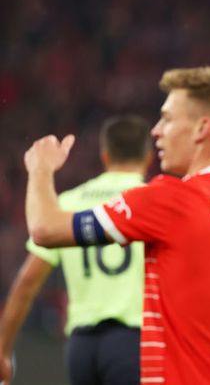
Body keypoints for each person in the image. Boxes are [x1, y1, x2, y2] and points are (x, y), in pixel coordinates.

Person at [22, 66, 210, 385]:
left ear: (202, 128)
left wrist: (41, 169)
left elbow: (45, 229)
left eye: (167, 119)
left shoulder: (168, 200)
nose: (156, 131)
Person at [0, 114, 152, 385]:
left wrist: (3, 349)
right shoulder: (154, 200)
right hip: (134, 341)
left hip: (82, 347)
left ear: (105, 156)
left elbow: (26, 282)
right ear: (149, 157)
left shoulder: (68, 203)